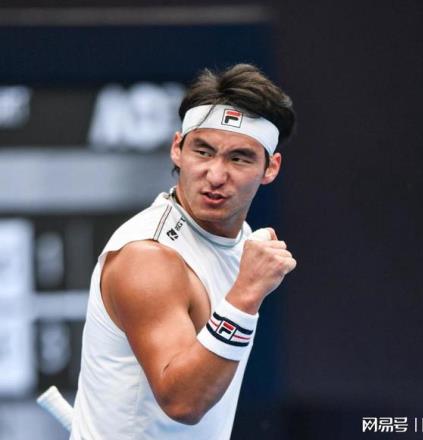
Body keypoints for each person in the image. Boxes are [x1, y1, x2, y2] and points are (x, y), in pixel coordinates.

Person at [70, 63, 296, 439]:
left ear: (270, 168)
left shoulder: (242, 240)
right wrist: (246, 294)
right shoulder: (148, 257)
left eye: (239, 158)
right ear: (177, 149)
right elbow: (183, 402)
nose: (216, 175)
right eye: (203, 152)